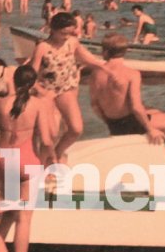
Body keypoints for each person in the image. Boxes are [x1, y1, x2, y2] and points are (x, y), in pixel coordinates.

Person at [89, 34, 165, 164]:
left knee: (155, 112)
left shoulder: (96, 74)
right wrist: (150, 129)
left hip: (114, 123)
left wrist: (109, 122)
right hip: (130, 124)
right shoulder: (131, 74)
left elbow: (94, 105)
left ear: (105, 51)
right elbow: (136, 106)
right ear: (125, 51)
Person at [0, 65, 54, 252]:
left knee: (7, 212)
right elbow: (46, 140)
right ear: (33, 82)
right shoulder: (38, 105)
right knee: (24, 219)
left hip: (5, 159)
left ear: (15, 81)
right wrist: (51, 160)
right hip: (28, 159)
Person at [25, 12, 105, 163]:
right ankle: (43, 163)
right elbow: (31, 74)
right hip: (45, 91)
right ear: (53, 29)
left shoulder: (72, 42)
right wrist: (39, 91)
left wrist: (108, 68)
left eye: (69, 33)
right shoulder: (43, 47)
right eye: (63, 33)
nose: (66, 36)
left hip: (66, 89)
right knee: (50, 133)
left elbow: (88, 59)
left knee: (76, 129)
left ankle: (57, 153)